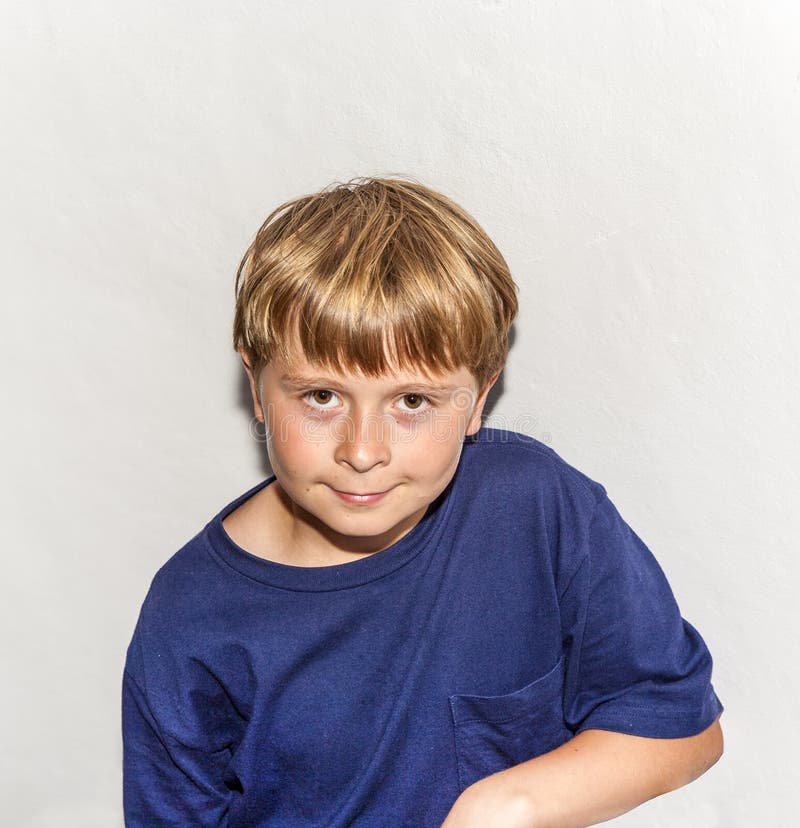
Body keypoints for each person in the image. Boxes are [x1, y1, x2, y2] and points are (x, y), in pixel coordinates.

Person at [122, 177, 723, 827]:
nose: (362, 449)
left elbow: (682, 725)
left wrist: (504, 806)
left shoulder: (535, 508)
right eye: (321, 396)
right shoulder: (190, 617)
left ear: (479, 397)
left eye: (412, 402)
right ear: (258, 388)